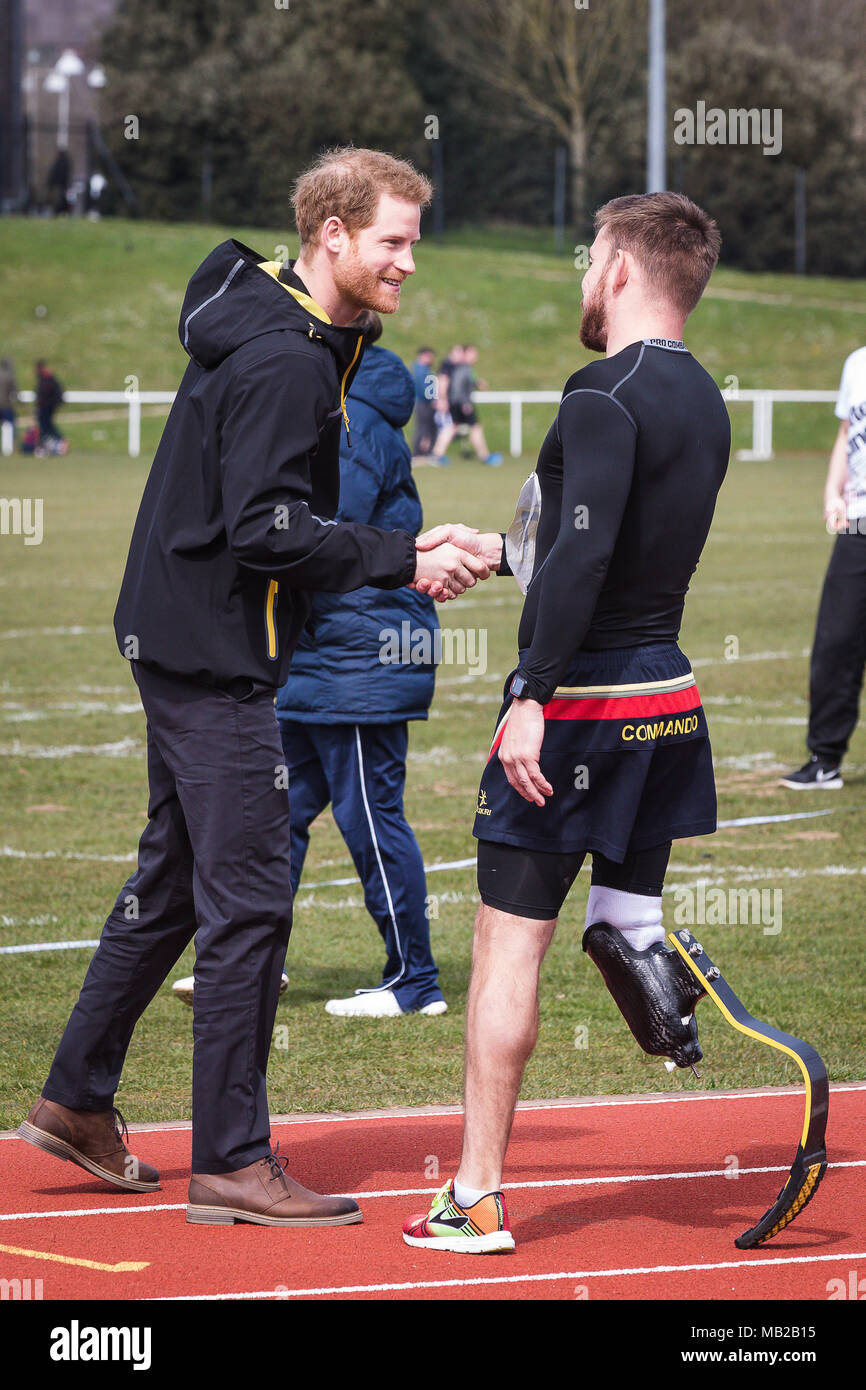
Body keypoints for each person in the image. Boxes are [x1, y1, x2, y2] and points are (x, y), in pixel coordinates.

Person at [18, 147, 489, 1231]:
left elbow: (271, 516)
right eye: (393, 241)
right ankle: (232, 1160)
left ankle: (75, 1098)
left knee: (176, 883)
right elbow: (267, 528)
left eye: (411, 241)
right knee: (251, 902)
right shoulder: (283, 355)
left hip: (179, 635)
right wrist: (403, 559)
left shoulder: (275, 324)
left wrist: (402, 544)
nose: (408, 263)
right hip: (214, 658)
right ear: (332, 236)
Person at [402, 191, 731, 1253]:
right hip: (663, 699)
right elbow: (588, 542)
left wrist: (528, 695)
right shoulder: (705, 399)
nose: (582, 274)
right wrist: (492, 549)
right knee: (612, 917)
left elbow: (585, 557)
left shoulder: (601, 389)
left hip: (581, 702)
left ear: (624, 268)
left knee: (505, 947)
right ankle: (644, 961)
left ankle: (478, 1198)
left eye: (589, 255)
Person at [277, 311, 446, 1018]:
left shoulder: (353, 423)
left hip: (358, 650)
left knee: (371, 817)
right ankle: (253, 963)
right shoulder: (340, 409)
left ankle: (415, 981)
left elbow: (324, 540)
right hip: (324, 651)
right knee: (272, 811)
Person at [780, 344, 866, 790]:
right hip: (858, 526)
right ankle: (825, 759)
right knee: (837, 640)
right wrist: (833, 493)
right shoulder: (856, 362)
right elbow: (845, 434)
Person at [432, 343, 503, 467]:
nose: (475, 356)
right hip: (462, 402)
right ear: (466, 354)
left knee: (452, 427)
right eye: (473, 353)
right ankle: (485, 456)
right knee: (475, 427)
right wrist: (465, 402)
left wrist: (477, 384)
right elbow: (458, 386)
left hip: (457, 401)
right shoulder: (463, 367)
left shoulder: (462, 367)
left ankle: (437, 455)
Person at [411, 345, 438, 458]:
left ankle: (429, 450)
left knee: (431, 427)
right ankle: (417, 452)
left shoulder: (426, 368)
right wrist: (431, 398)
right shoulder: (419, 369)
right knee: (422, 427)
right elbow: (423, 387)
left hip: (426, 401)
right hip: (422, 402)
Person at [35, 361, 67, 455]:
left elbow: (45, 394)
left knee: (46, 426)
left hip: (47, 407)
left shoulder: (47, 378)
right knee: (46, 426)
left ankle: (59, 442)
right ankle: (51, 446)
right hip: (47, 407)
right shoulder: (47, 378)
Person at [0, 358, 18, 443]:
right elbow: (14, 392)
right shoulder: (9, 377)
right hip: (6, 405)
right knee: (11, 425)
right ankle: (13, 443)